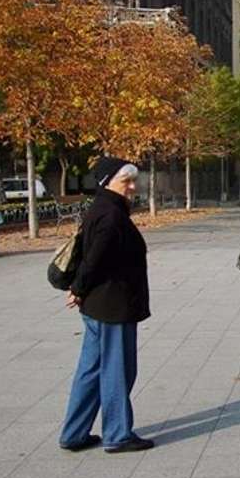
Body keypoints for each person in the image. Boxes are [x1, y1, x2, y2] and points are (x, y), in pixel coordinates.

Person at [59, 157, 154, 453]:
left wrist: (80, 290)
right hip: (113, 306)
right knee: (117, 369)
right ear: (107, 182)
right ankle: (117, 434)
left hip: (99, 306)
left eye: (133, 180)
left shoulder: (102, 208)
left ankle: (74, 433)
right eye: (126, 181)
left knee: (91, 369)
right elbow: (95, 258)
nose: (133, 187)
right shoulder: (111, 215)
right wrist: (78, 287)